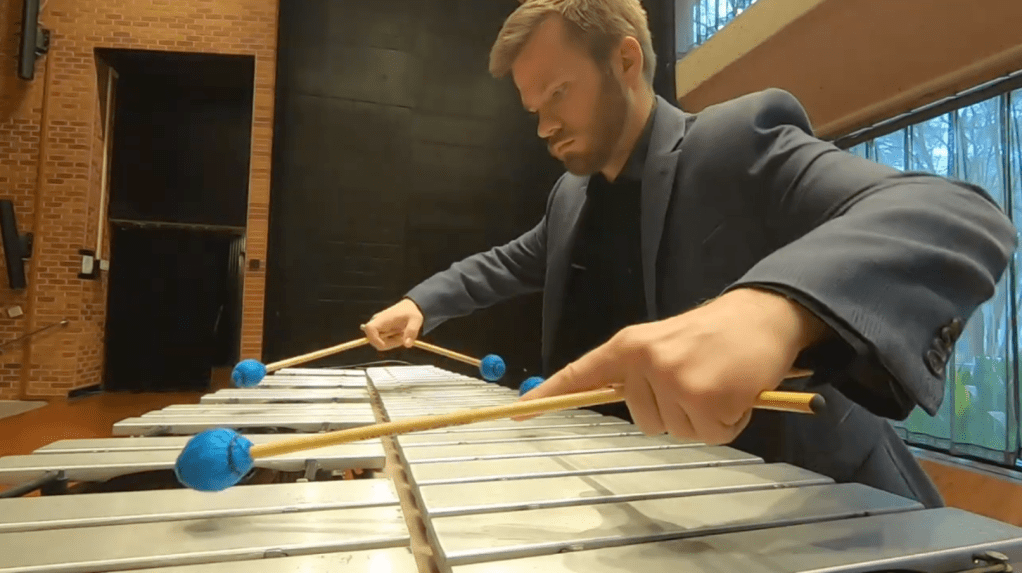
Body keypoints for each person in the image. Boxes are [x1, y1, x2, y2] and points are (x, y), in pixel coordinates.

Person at [361, 0, 1017, 508]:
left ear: (625, 61)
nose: (544, 126)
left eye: (557, 93)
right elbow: (510, 262)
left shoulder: (734, 143)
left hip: (829, 507)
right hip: (682, 507)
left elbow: (955, 214)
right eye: (534, 109)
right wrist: (421, 304)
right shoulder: (570, 197)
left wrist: (773, 311)